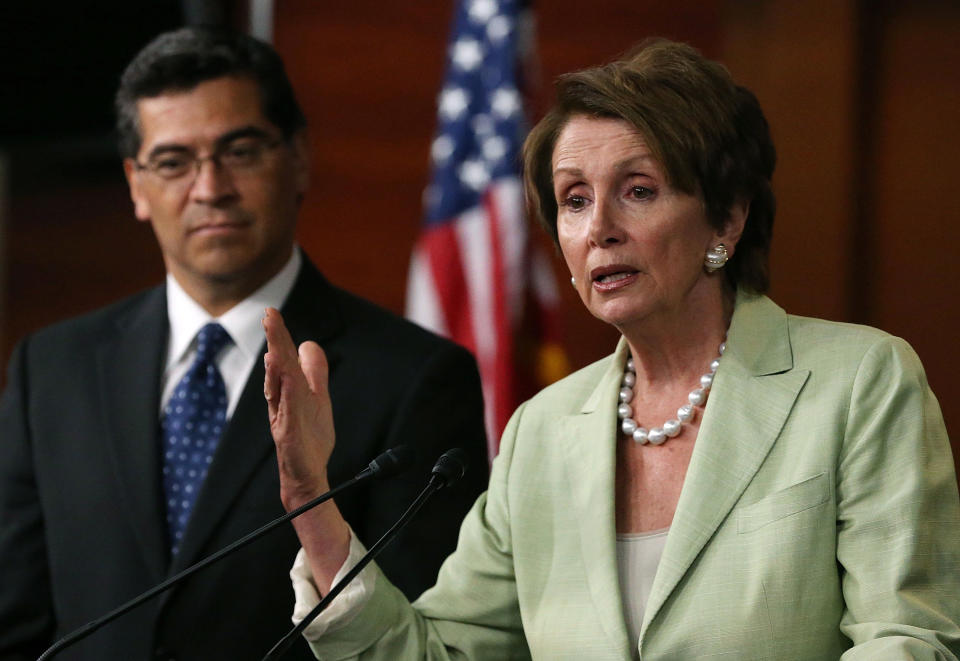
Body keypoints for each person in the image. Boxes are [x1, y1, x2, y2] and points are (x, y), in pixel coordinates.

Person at [263, 38, 960, 659]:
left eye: (638, 190)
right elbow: (438, 651)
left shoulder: (858, 381)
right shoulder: (540, 432)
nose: (599, 227)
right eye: (573, 199)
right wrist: (312, 501)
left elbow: (906, 638)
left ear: (728, 216)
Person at [0, 26, 488, 661]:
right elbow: (15, 625)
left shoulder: (416, 377)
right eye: (173, 162)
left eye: (241, 151)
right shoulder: (51, 368)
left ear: (299, 158)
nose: (210, 189)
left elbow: (416, 636)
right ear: (135, 186)